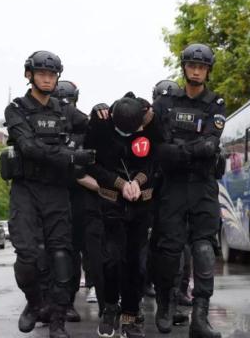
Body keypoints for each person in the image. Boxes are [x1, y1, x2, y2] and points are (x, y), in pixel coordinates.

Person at [2, 50, 94, 338]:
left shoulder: (63, 109)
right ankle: (34, 303)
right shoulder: (16, 109)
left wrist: (109, 112)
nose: (46, 78)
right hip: (26, 190)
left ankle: (57, 322)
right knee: (28, 256)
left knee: (61, 255)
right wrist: (70, 156)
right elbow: (29, 147)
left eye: (52, 74)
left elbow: (93, 126)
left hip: (56, 190)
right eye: (41, 73)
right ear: (29, 75)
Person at [150, 43, 225, 338]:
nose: (196, 71)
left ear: (208, 71)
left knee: (204, 249)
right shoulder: (165, 102)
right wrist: (185, 150)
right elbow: (157, 146)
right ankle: (166, 305)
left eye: (202, 67)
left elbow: (210, 145)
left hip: (203, 185)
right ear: (184, 68)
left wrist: (176, 150)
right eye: (192, 66)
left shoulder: (215, 103)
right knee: (169, 250)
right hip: (172, 187)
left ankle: (200, 317)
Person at [85, 93, 161, 338]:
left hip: (140, 205)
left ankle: (130, 315)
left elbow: (156, 161)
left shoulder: (149, 122)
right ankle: (110, 307)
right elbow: (90, 163)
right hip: (111, 204)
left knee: (136, 264)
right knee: (111, 260)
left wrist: (138, 182)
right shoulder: (101, 125)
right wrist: (119, 183)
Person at [51, 80, 96, 323]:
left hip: (80, 196)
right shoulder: (49, 129)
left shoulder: (84, 129)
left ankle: (69, 300)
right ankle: (52, 301)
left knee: (75, 250)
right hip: (52, 193)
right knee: (54, 251)